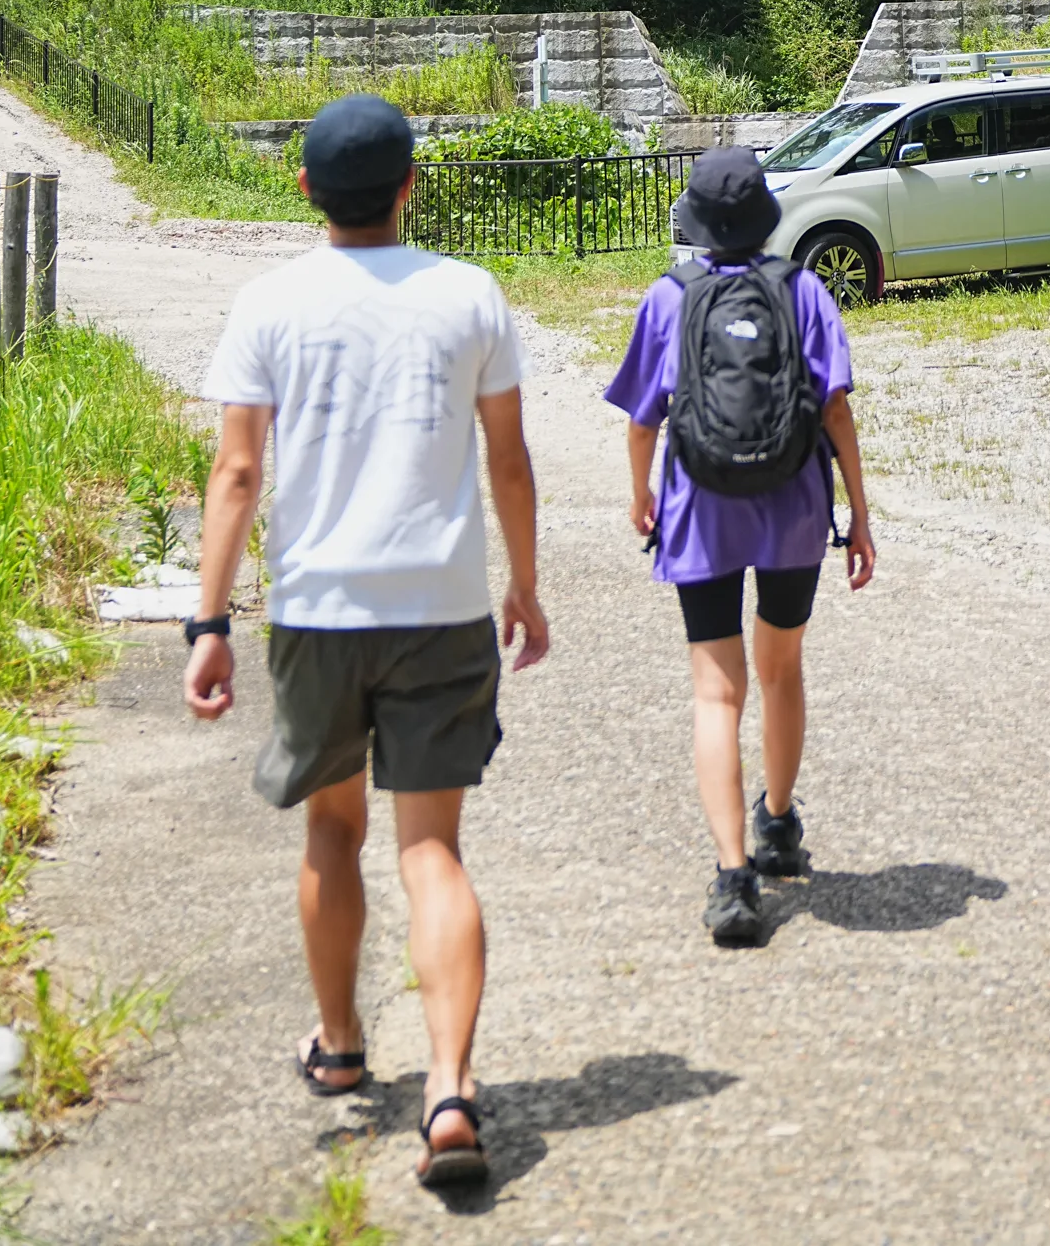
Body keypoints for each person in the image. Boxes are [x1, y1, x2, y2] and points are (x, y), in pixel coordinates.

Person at [184, 94, 549, 1192]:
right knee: (431, 851)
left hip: (316, 612)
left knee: (332, 836)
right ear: (411, 185)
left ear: (303, 189)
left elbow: (238, 474)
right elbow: (511, 462)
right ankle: (449, 1089)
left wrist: (209, 623)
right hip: (439, 605)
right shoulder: (467, 295)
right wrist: (523, 587)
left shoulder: (269, 304)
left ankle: (342, 1049)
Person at [606, 146, 875, 947]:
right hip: (793, 504)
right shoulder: (803, 291)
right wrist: (859, 513)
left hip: (703, 506)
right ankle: (779, 824)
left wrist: (641, 494)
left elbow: (643, 420)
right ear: (762, 216)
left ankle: (732, 879)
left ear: (697, 221)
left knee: (716, 693)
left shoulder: (668, 298)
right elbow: (835, 412)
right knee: (781, 668)